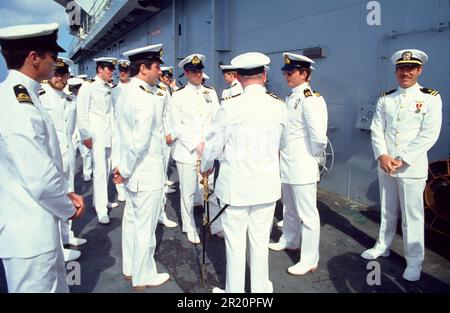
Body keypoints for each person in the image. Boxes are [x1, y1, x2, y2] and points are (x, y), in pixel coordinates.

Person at [0, 23, 85, 293]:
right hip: (30, 239)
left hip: (38, 230)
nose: (56, 62)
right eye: (52, 55)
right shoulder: (18, 104)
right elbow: (40, 177)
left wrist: (65, 193)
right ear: (34, 57)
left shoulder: (25, 96)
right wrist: (68, 207)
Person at [201, 52, 288, 293]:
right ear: (265, 75)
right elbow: (285, 145)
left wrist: (205, 165)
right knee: (260, 243)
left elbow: (213, 147)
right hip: (266, 189)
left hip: (235, 190)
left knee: (236, 245)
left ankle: (235, 294)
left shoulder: (229, 107)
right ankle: (260, 291)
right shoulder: (279, 106)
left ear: (237, 76)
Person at [361, 49, 442, 282]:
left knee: (412, 216)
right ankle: (382, 246)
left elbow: (429, 134)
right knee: (387, 210)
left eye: (410, 68)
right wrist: (382, 156)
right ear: (396, 71)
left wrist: (403, 158)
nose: (405, 72)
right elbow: (377, 129)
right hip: (386, 165)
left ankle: (414, 261)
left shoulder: (430, 98)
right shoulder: (386, 98)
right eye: (401, 68)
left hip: (411, 167)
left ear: (419, 70)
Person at [113, 44, 170, 289]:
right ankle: (143, 275)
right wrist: (123, 171)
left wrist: (121, 168)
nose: (159, 71)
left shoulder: (126, 92)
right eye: (156, 66)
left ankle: (129, 268)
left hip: (132, 173)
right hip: (146, 172)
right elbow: (139, 142)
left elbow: (121, 133)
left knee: (132, 223)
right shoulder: (146, 96)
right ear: (144, 68)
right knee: (145, 228)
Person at [268, 53, 328, 276]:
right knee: (289, 208)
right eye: (285, 72)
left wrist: (310, 160)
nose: (286, 76)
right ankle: (289, 239)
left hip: (302, 165)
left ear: (304, 74)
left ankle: (309, 259)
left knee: (308, 214)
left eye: (290, 72)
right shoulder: (292, 97)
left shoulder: (310, 99)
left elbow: (319, 138)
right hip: (287, 164)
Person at [170, 54, 222, 244]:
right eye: (193, 71)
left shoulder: (211, 93)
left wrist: (212, 144)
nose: (197, 74)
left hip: (207, 149)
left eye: (199, 71)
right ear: (186, 73)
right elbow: (177, 126)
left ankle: (215, 224)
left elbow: (217, 119)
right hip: (187, 151)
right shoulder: (178, 96)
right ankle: (189, 226)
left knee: (210, 189)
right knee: (188, 192)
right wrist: (196, 143)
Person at [39, 57, 87, 262]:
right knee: (54, 203)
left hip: (67, 157)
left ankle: (68, 236)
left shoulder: (69, 99)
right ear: (50, 74)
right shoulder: (40, 97)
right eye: (56, 74)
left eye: (63, 74)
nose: (60, 78)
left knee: (68, 197)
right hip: (50, 159)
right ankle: (58, 247)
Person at [77, 56, 119, 224]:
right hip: (96, 137)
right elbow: (82, 113)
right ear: (100, 69)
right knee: (100, 172)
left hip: (109, 136)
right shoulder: (88, 87)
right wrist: (85, 135)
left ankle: (102, 200)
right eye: (109, 69)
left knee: (107, 170)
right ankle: (101, 210)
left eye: (112, 69)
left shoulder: (109, 87)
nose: (112, 72)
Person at [111, 59, 131, 202]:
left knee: (130, 158)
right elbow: (111, 112)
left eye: (126, 71)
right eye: (121, 71)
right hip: (118, 130)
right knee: (117, 159)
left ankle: (129, 185)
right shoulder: (113, 90)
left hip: (131, 130)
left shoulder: (135, 89)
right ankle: (120, 189)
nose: (123, 73)